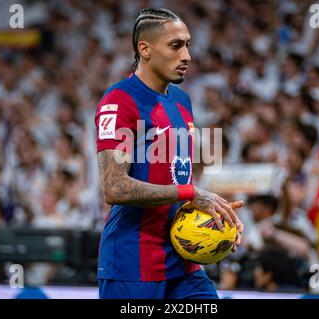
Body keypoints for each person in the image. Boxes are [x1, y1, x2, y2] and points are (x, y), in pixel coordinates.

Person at [94, 8, 243, 299]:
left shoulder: (181, 100)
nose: (186, 56)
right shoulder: (119, 100)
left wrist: (216, 218)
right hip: (132, 265)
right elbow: (114, 187)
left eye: (187, 45)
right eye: (176, 46)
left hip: (182, 261)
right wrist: (189, 194)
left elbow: (176, 176)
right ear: (145, 49)